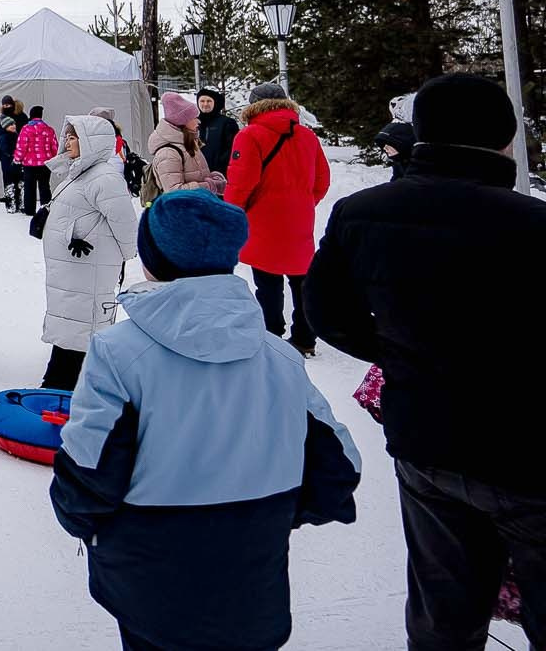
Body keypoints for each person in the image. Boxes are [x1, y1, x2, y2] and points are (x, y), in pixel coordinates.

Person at [51, 187, 360, 651]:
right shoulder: (280, 357)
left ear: (152, 258)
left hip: (149, 575)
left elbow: (87, 477)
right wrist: (271, 516)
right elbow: (339, 468)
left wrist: (91, 526)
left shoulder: (118, 353)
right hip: (254, 579)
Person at [305, 73, 546, 649]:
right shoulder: (533, 225)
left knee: (444, 605)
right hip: (528, 453)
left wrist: (399, 352)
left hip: (426, 439)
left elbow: (325, 312)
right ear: (506, 139)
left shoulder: (363, 213)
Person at [222, 82, 330, 357]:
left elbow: (240, 183)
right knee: (301, 280)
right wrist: (304, 202)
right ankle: (305, 337)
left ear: (253, 105)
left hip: (262, 220)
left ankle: (272, 335)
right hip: (299, 219)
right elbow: (322, 180)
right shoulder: (307, 136)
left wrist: (232, 213)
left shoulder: (249, 136)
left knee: (268, 283)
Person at [38, 114, 140, 390]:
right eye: (68, 136)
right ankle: (64, 382)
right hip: (73, 269)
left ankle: (62, 386)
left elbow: (125, 224)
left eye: (74, 137)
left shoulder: (104, 177)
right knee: (71, 323)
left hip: (89, 267)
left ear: (91, 142)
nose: (68, 141)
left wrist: (123, 256)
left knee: (80, 325)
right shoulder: (80, 173)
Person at [147, 90, 216, 197]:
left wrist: (213, 179)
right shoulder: (168, 153)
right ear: (183, 122)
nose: (198, 121)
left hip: (197, 209)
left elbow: (194, 176)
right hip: (182, 212)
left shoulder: (189, 143)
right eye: (194, 118)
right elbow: (175, 193)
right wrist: (209, 186)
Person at [14, 105, 57, 216]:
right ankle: (46, 209)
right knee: (45, 187)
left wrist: (17, 159)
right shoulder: (49, 129)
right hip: (45, 164)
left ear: (31, 115)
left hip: (29, 164)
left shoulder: (26, 129)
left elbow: (21, 146)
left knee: (29, 188)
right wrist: (54, 160)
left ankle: (29, 210)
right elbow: (54, 147)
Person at [195, 88, 240, 175]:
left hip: (221, 173)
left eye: (209, 101)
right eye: (202, 101)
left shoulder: (227, 123)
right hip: (197, 173)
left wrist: (220, 166)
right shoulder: (193, 122)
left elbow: (233, 148)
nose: (205, 104)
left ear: (215, 103)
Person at [0, 94, 25, 213]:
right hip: (5, 153)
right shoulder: (1, 118)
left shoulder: (21, 117)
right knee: (8, 177)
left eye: (8, 104)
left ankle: (19, 202)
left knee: (19, 178)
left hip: (18, 152)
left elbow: (24, 131)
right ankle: (11, 201)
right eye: (4, 105)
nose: (6, 107)